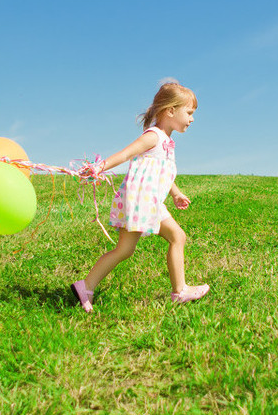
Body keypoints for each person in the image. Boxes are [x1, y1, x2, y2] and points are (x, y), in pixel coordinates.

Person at [70, 81, 210, 312]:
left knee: (126, 250)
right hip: (141, 202)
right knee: (177, 237)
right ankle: (180, 291)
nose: (192, 119)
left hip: (145, 201)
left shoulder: (166, 142)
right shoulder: (153, 136)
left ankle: (85, 286)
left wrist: (175, 193)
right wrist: (99, 167)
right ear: (170, 110)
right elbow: (126, 154)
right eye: (190, 112)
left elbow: (161, 173)